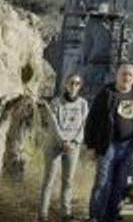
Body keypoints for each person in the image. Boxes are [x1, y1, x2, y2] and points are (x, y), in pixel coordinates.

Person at [85, 62, 133, 222]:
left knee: (119, 184)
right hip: (108, 145)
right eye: (123, 74)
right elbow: (92, 119)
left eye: (130, 75)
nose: (126, 77)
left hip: (128, 147)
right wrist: (90, 146)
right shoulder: (107, 93)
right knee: (103, 182)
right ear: (117, 75)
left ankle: (111, 216)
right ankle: (95, 217)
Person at [39, 74, 88, 222]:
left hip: (73, 146)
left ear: (80, 86)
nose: (74, 86)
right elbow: (54, 125)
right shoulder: (56, 102)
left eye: (77, 84)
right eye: (71, 83)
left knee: (68, 180)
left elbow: (84, 125)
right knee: (49, 179)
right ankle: (42, 214)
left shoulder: (83, 104)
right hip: (55, 145)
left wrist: (73, 142)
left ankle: (66, 213)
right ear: (66, 84)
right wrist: (63, 142)